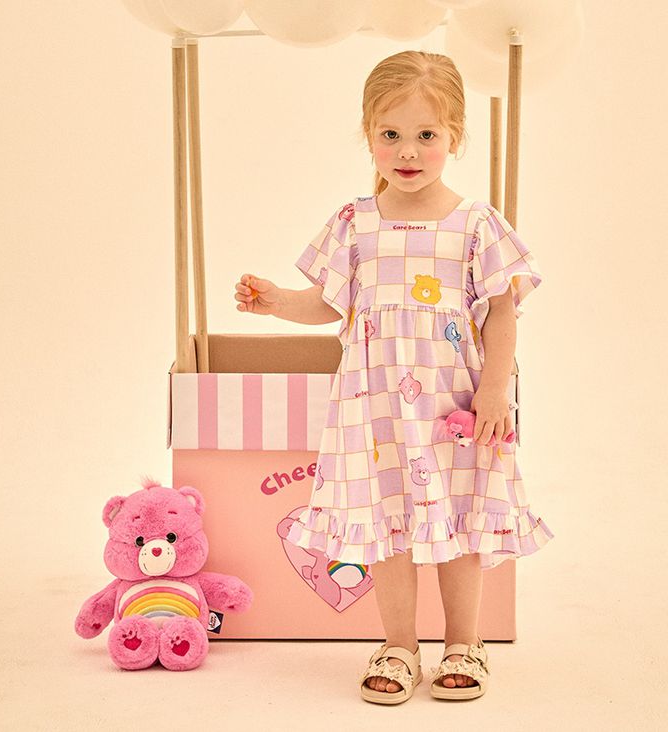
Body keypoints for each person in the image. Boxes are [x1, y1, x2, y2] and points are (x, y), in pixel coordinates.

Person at [234, 50, 554, 705]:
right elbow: (328, 303)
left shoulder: (476, 224)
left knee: (459, 524)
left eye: (426, 134)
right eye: (391, 134)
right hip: (374, 409)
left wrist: (494, 391)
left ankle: (463, 642)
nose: (407, 151)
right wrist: (276, 302)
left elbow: (501, 313)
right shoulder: (356, 223)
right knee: (386, 528)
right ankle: (399, 645)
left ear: (454, 136)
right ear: (369, 135)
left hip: (453, 406)